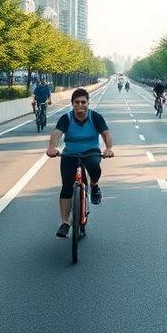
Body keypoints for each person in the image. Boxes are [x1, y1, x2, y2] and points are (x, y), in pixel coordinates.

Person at [46, 88, 114, 238]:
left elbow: (106, 134)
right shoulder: (66, 118)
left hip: (91, 151)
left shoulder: (95, 117)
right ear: (72, 104)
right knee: (66, 186)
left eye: (84, 102)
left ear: (88, 103)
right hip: (70, 153)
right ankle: (65, 222)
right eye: (77, 102)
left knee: (94, 167)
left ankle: (94, 186)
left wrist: (108, 148)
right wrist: (52, 148)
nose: (80, 105)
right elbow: (57, 133)